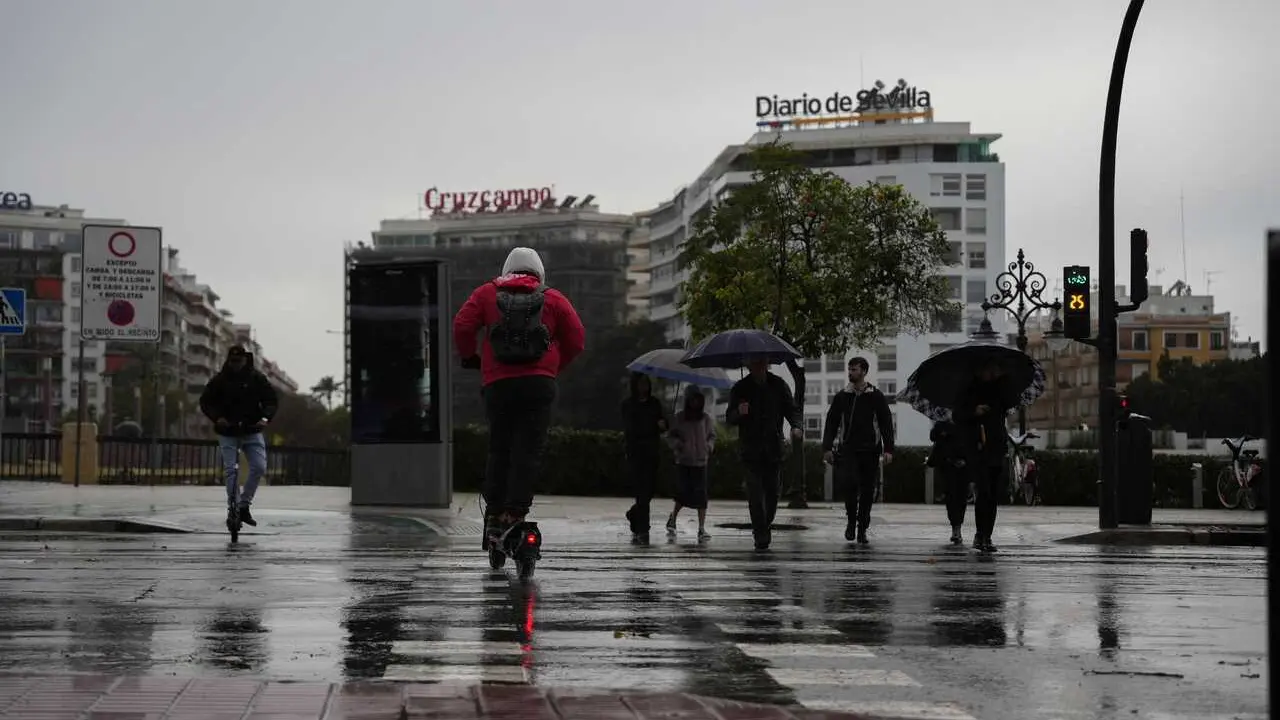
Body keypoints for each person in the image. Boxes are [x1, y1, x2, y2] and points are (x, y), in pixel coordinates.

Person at [453, 246, 586, 548]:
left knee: (500, 448)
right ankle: (515, 514)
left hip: (498, 385)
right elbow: (577, 339)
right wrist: (552, 367)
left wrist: (470, 357)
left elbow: (462, 325)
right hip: (538, 386)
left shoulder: (487, 293)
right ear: (539, 272)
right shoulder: (554, 298)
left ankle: (494, 514)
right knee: (528, 451)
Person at [725, 358, 803, 551]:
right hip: (750, 450)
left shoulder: (778, 385)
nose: (760, 367)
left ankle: (764, 523)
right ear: (749, 366)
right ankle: (760, 532)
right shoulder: (740, 388)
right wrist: (738, 412)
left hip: (773, 448)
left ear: (767, 365)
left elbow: (791, 409)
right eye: (755, 364)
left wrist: (796, 426)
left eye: (762, 363)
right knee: (754, 493)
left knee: (772, 493)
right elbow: (730, 418)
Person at [199, 345, 279, 527]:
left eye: (239, 361)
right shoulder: (219, 380)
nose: (235, 365)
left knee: (259, 467)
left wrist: (265, 418)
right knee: (231, 471)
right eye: (232, 361)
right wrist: (217, 418)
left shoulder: (257, 378)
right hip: (228, 432)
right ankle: (233, 508)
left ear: (245, 360)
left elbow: (271, 400)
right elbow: (205, 401)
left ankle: (244, 504)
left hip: (252, 430)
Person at [821, 357, 895, 544]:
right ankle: (851, 522)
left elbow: (886, 423)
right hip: (848, 450)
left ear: (863, 371)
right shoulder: (842, 396)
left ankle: (862, 527)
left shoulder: (876, 396)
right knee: (850, 485)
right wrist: (827, 447)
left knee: (868, 490)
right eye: (849, 369)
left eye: (854, 369)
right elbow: (831, 422)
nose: (850, 372)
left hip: (870, 451)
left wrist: (888, 449)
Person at [952, 362, 1014, 552]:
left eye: (992, 370)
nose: (989, 373)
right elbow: (957, 415)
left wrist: (1004, 378)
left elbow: (1010, 403)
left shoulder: (1000, 391)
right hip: (978, 449)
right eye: (986, 370)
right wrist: (974, 412)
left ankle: (987, 535)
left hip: (996, 447)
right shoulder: (968, 391)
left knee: (993, 494)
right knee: (984, 491)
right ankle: (981, 534)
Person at [665, 386, 716, 541]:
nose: (696, 402)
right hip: (684, 461)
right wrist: (678, 445)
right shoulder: (679, 418)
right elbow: (670, 437)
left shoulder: (705, 418)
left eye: (698, 399)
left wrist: (708, 447)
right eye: (693, 399)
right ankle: (673, 518)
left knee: (701, 496)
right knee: (682, 495)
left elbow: (712, 436)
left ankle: (701, 528)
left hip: (701, 461)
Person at [621, 373, 667, 541]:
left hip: (652, 452)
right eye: (641, 384)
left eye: (646, 384)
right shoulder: (628, 405)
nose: (644, 387)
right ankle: (643, 527)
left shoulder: (654, 403)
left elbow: (662, 422)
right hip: (636, 452)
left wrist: (663, 425)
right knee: (641, 491)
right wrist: (650, 426)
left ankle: (634, 514)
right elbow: (631, 428)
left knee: (649, 491)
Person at [929, 418, 972, 546]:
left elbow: (972, 440)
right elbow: (933, 436)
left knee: (961, 498)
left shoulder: (966, 420)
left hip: (964, 464)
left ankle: (957, 526)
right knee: (951, 497)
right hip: (948, 465)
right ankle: (956, 528)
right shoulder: (942, 421)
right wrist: (941, 432)